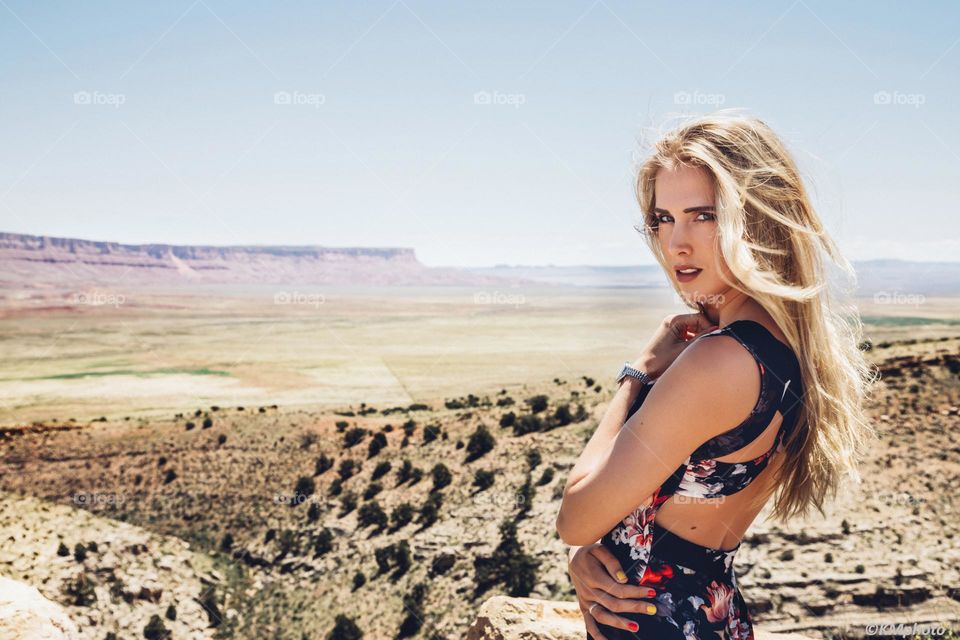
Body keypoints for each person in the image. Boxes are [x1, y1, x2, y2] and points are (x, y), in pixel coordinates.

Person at [555, 111, 878, 639]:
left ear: (758, 220)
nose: (675, 243)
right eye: (662, 218)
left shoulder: (718, 360)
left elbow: (575, 516)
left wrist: (637, 373)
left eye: (702, 215)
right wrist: (591, 556)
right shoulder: (784, 350)